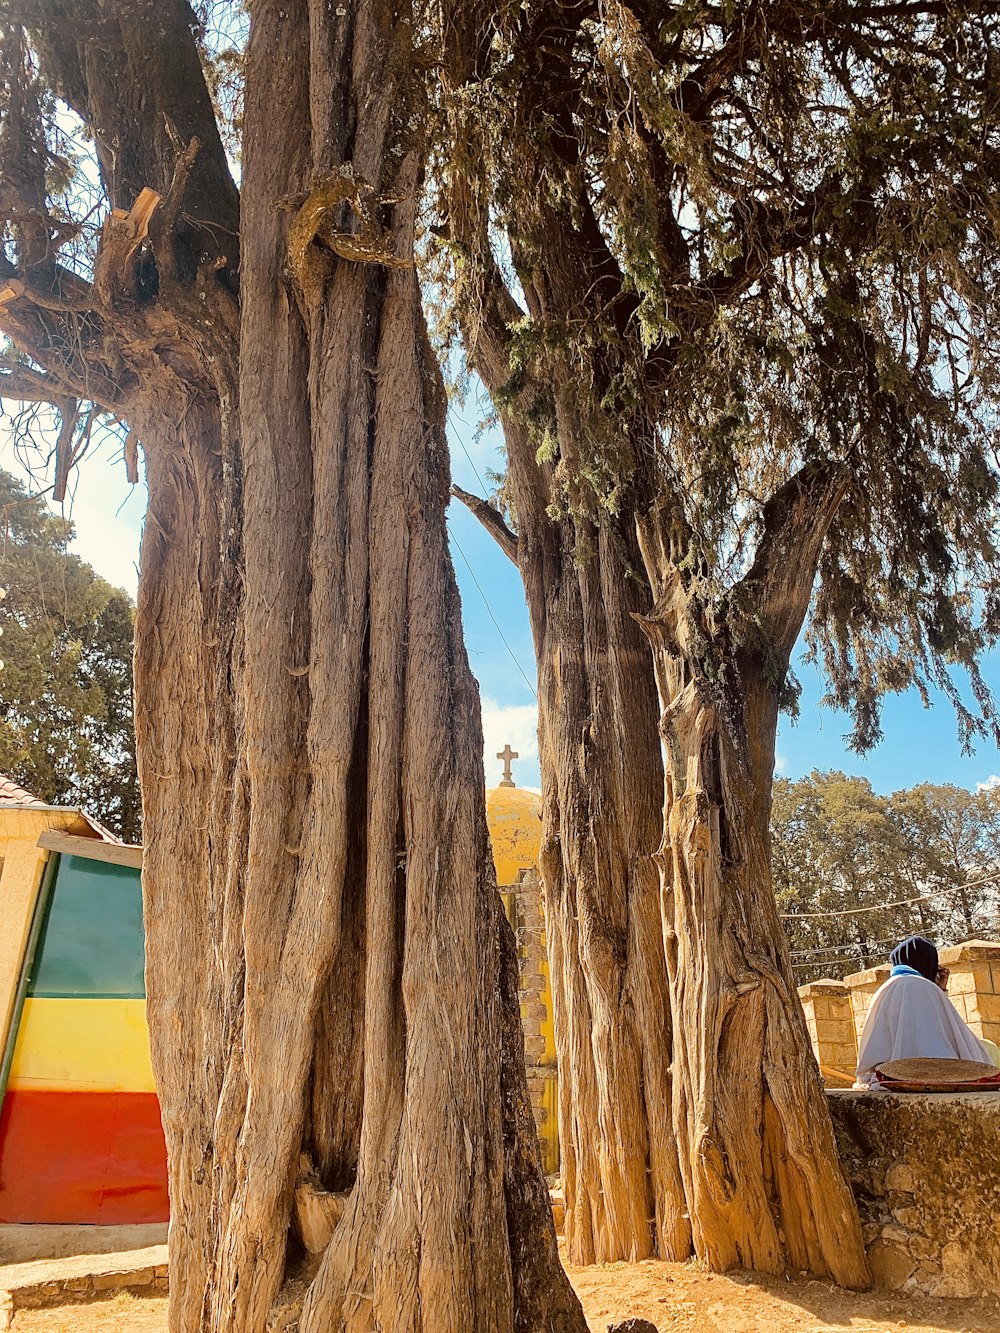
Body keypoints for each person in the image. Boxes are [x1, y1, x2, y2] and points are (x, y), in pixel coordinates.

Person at [855, 935, 998, 1087]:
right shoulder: (923, 987)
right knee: (989, 1050)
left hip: (887, 1073)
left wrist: (939, 990)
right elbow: (950, 1038)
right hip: (932, 1071)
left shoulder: (885, 988)